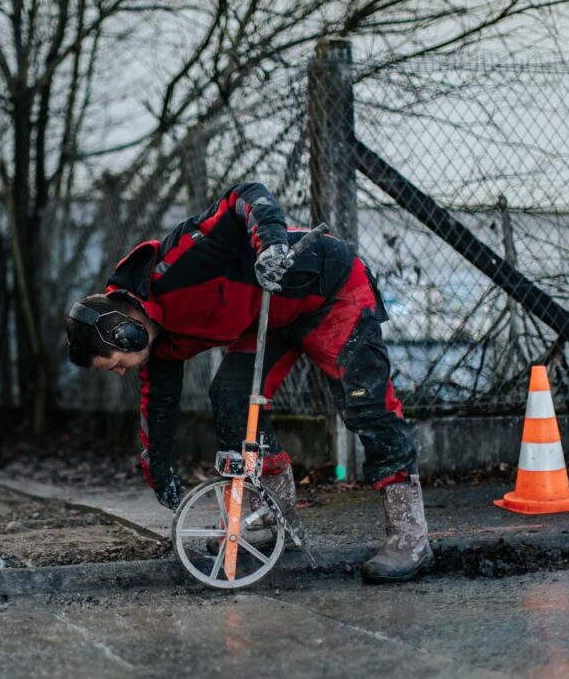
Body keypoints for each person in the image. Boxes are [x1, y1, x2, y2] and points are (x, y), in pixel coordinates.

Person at [65, 182, 433, 584]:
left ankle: (409, 538)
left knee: (367, 406)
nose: (120, 372)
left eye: (115, 363)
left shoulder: (181, 260)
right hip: (271, 318)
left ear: (127, 335)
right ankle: (274, 520)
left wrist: (270, 247)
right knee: (232, 399)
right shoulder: (161, 346)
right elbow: (158, 408)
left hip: (332, 290)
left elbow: (244, 196)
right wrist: (161, 475)